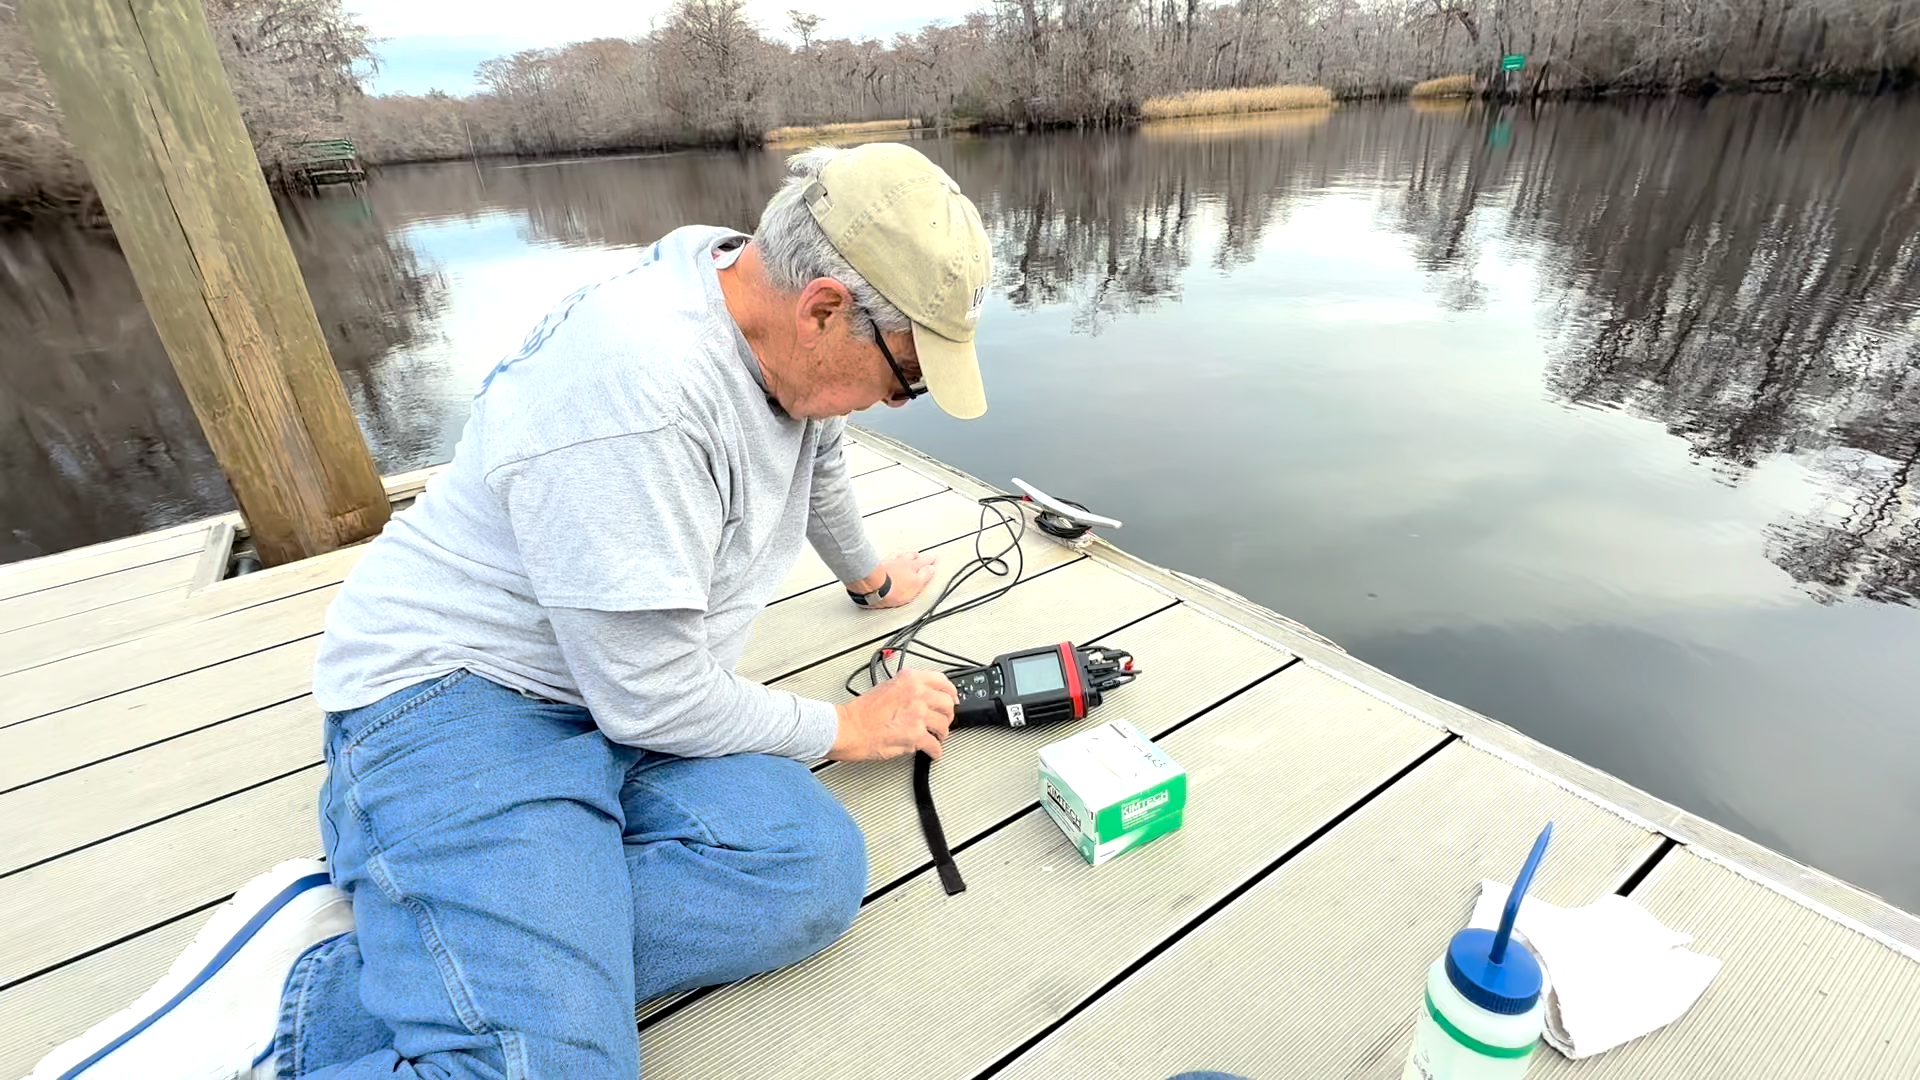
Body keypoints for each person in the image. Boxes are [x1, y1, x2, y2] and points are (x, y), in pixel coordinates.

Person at [32, 142, 993, 1080]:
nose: (902, 401)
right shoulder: (643, 390)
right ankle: (297, 1000)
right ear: (825, 308)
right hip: (461, 698)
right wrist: (845, 727)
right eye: (907, 374)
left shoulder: (759, 301)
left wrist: (867, 579)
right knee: (536, 1065)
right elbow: (657, 701)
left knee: (803, 870)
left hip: (613, 687)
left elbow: (814, 444)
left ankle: (433, 943)